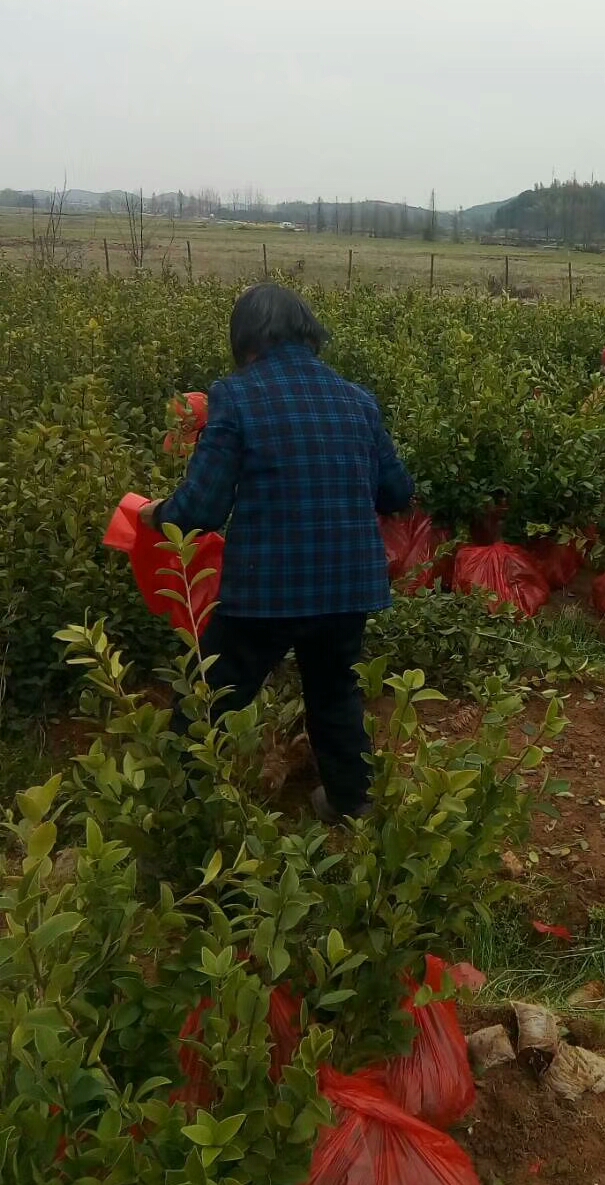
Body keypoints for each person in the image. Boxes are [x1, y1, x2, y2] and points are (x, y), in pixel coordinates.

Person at [140, 283, 414, 822]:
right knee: (334, 692)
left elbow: (203, 507)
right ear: (309, 334)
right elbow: (398, 493)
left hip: (267, 589)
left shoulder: (236, 395)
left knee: (210, 696)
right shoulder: (358, 401)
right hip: (346, 585)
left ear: (245, 340)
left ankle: (181, 813)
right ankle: (350, 805)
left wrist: (156, 512)